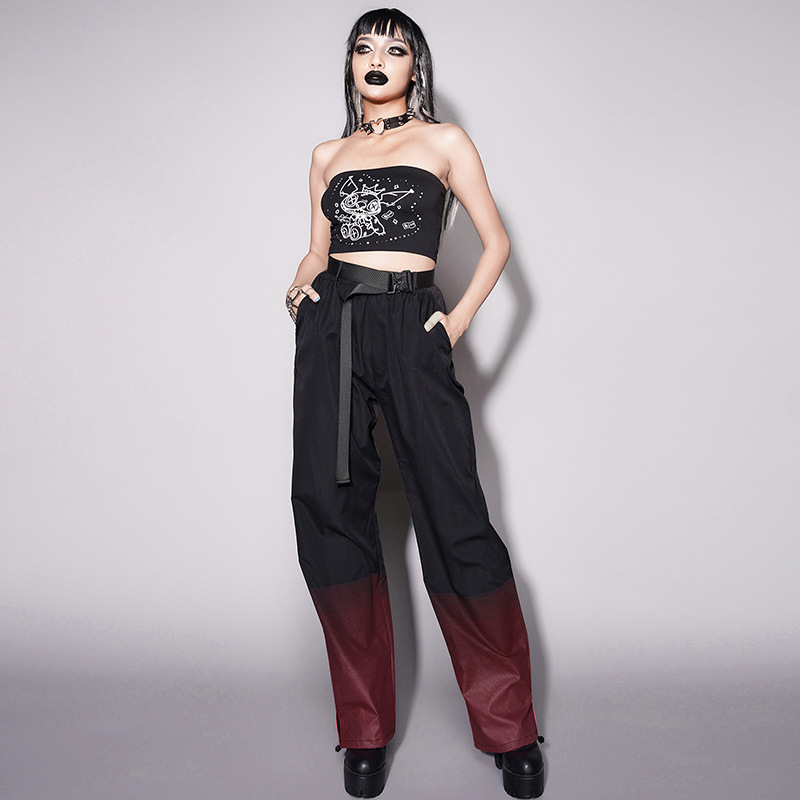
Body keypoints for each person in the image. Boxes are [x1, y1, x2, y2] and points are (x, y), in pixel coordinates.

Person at [285, 8, 545, 798]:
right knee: (328, 512)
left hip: (411, 324)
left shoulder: (444, 142)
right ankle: (363, 730)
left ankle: (510, 727)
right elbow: (319, 250)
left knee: (455, 514)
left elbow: (496, 243)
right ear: (350, 64)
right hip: (334, 329)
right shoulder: (327, 156)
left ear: (414, 66)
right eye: (364, 46)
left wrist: (453, 324)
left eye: (395, 48)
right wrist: (298, 290)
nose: (378, 58)